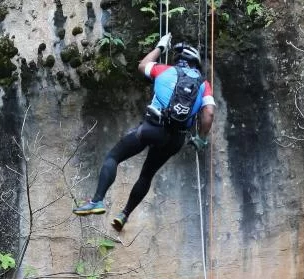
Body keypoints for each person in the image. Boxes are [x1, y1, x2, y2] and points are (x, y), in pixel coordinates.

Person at [73, 35, 216, 231]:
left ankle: (97, 200)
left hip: (152, 128)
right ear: (195, 63)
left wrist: (160, 47)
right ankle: (124, 215)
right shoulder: (203, 84)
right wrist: (201, 138)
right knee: (147, 175)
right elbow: (208, 113)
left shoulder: (165, 70)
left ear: (179, 60)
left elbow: (143, 66)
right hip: (176, 139)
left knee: (113, 157)